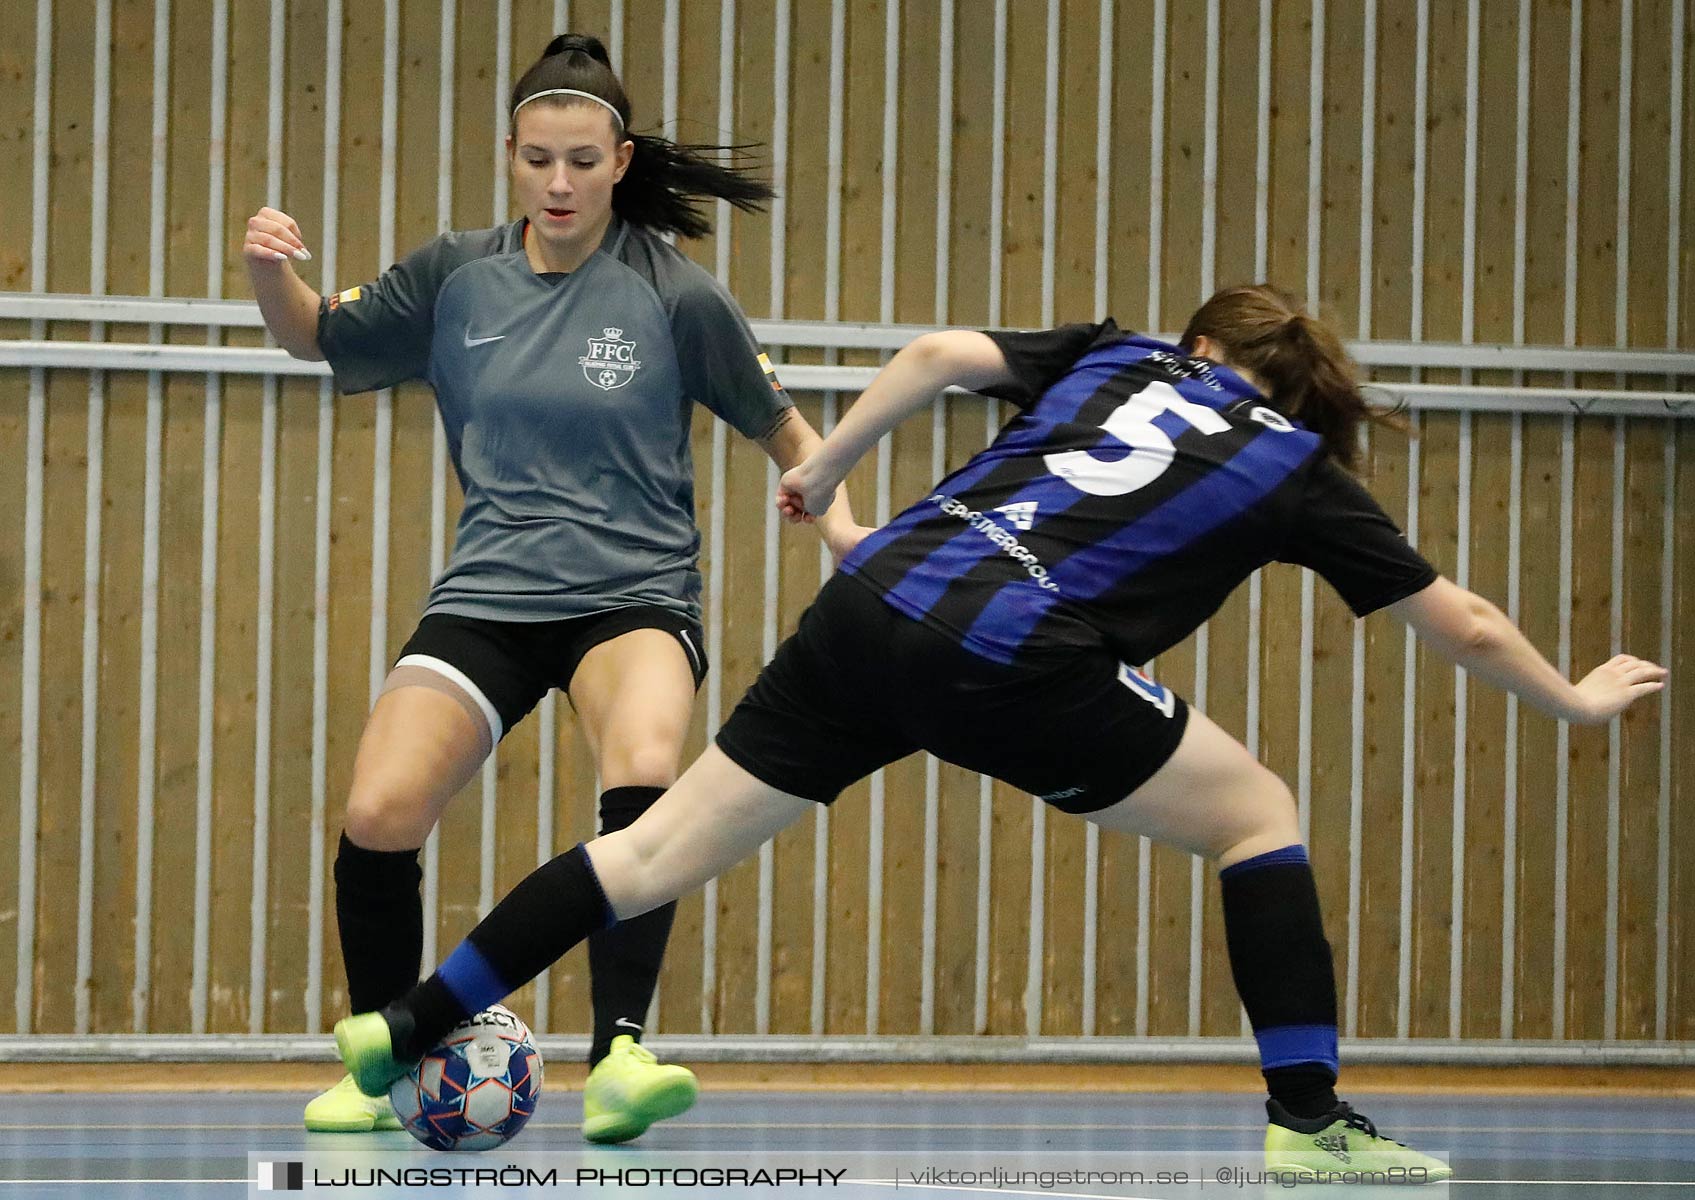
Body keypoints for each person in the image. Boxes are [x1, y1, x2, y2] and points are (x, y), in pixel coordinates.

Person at [332, 285, 1666, 1178]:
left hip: (873, 603)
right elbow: (1468, 623)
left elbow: (926, 358)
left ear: (1194, 346)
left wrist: (827, 468)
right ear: (1290, 388)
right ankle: (1305, 1122)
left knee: (645, 856)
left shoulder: (1112, 351)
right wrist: (1570, 697)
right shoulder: (1289, 464)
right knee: (1256, 813)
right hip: (1013, 658)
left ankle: (402, 1027)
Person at [242, 33, 869, 1143]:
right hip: (489, 591)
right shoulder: (453, 276)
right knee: (377, 812)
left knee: (641, 766)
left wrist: (846, 528)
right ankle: (383, 1058)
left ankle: (621, 1054)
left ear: (621, 161)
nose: (560, 183)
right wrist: (267, 272)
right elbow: (313, 338)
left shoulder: (674, 293)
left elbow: (782, 427)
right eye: (539, 160)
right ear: (511, 157)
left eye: (582, 160)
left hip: (634, 592)